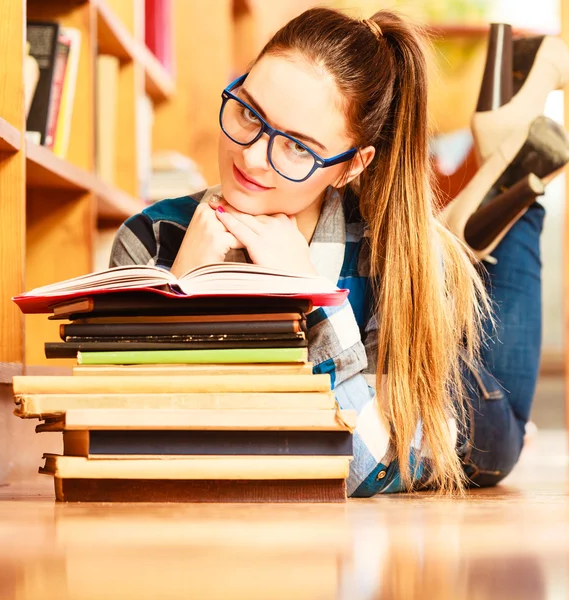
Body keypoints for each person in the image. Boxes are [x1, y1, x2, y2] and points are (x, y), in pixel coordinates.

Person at [110, 8, 556, 496]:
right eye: (248, 112)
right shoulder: (151, 237)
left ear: (350, 167)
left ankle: (515, 192)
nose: (252, 157)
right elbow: (122, 441)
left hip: (460, 409)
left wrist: (315, 301)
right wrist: (182, 297)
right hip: (384, 371)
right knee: (435, 263)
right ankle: (463, 236)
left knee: (507, 430)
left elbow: (377, 466)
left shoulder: (385, 259)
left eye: (298, 147)